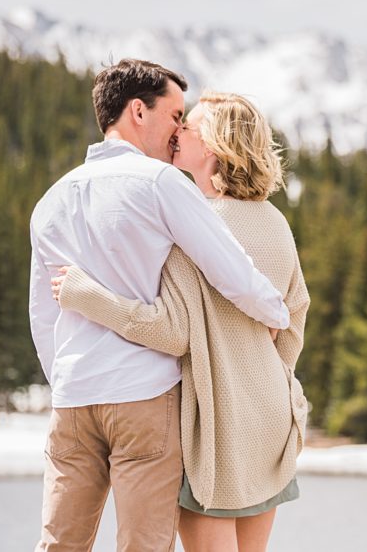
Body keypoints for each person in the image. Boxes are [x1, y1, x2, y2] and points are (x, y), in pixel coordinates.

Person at [29, 62, 291, 552]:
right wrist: (275, 313)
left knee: (59, 544)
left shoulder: (51, 199)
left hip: (72, 397)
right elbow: (231, 273)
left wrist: (66, 378)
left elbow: (43, 315)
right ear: (137, 111)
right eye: (175, 115)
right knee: (144, 546)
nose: (177, 129)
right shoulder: (161, 184)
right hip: (144, 394)